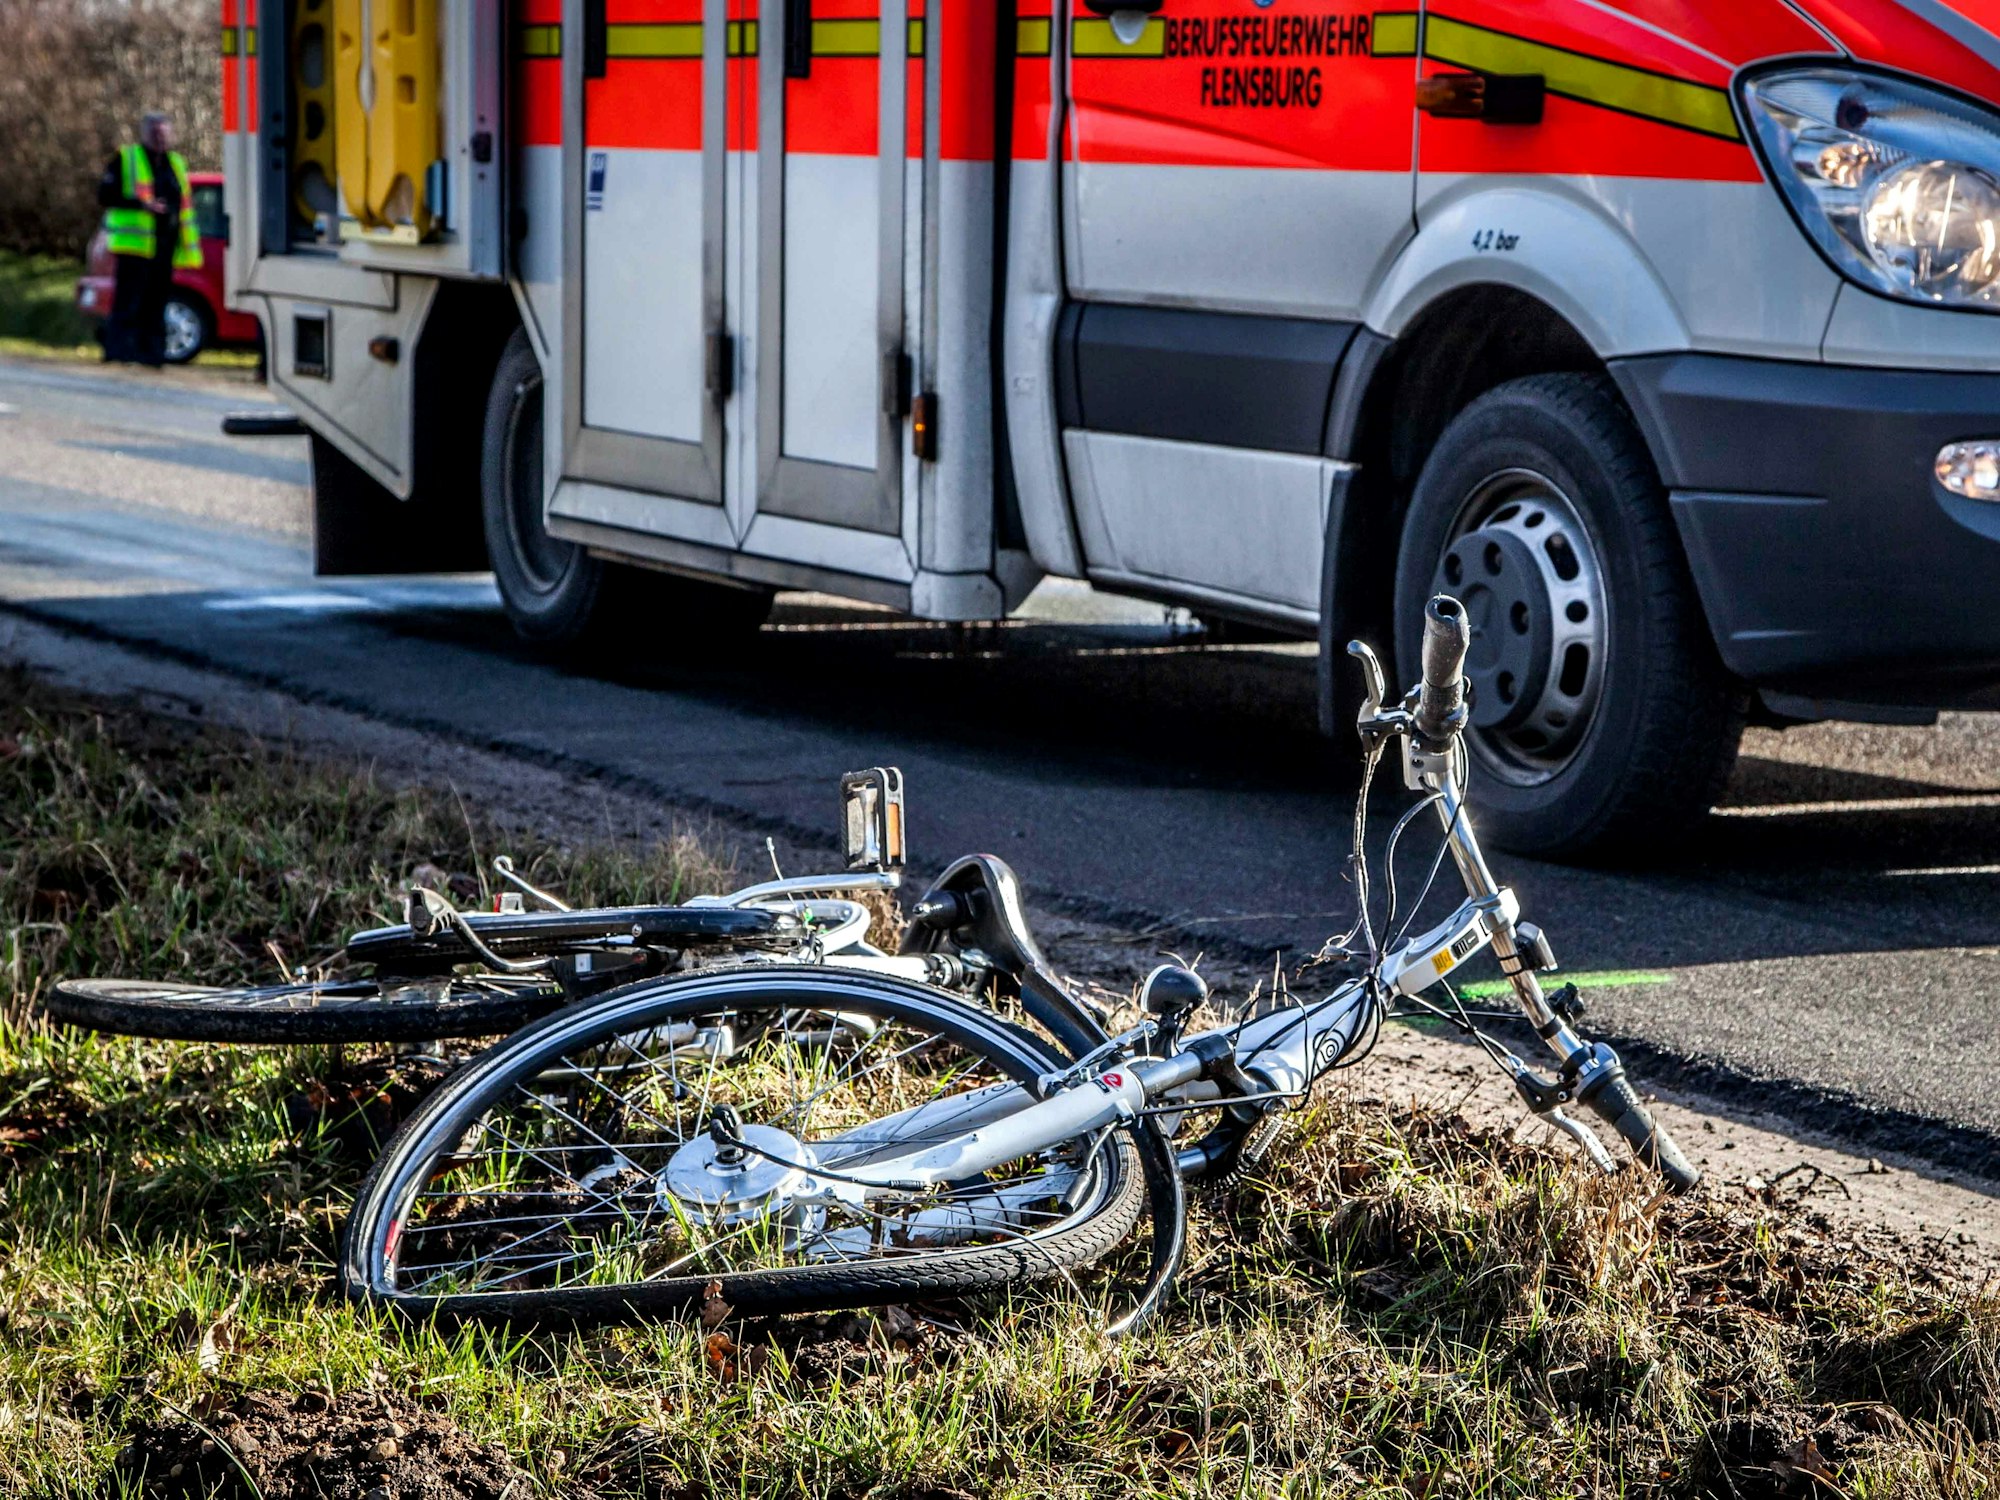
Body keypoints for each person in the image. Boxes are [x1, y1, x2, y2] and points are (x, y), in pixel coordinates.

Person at [96, 111, 202, 366]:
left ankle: (152, 354)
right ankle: (119, 351)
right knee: (128, 301)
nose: (160, 138)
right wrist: (143, 205)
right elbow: (105, 195)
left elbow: (185, 204)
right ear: (144, 133)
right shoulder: (126, 158)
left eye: (164, 133)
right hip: (135, 246)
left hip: (165, 246)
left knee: (157, 303)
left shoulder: (176, 163)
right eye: (155, 133)